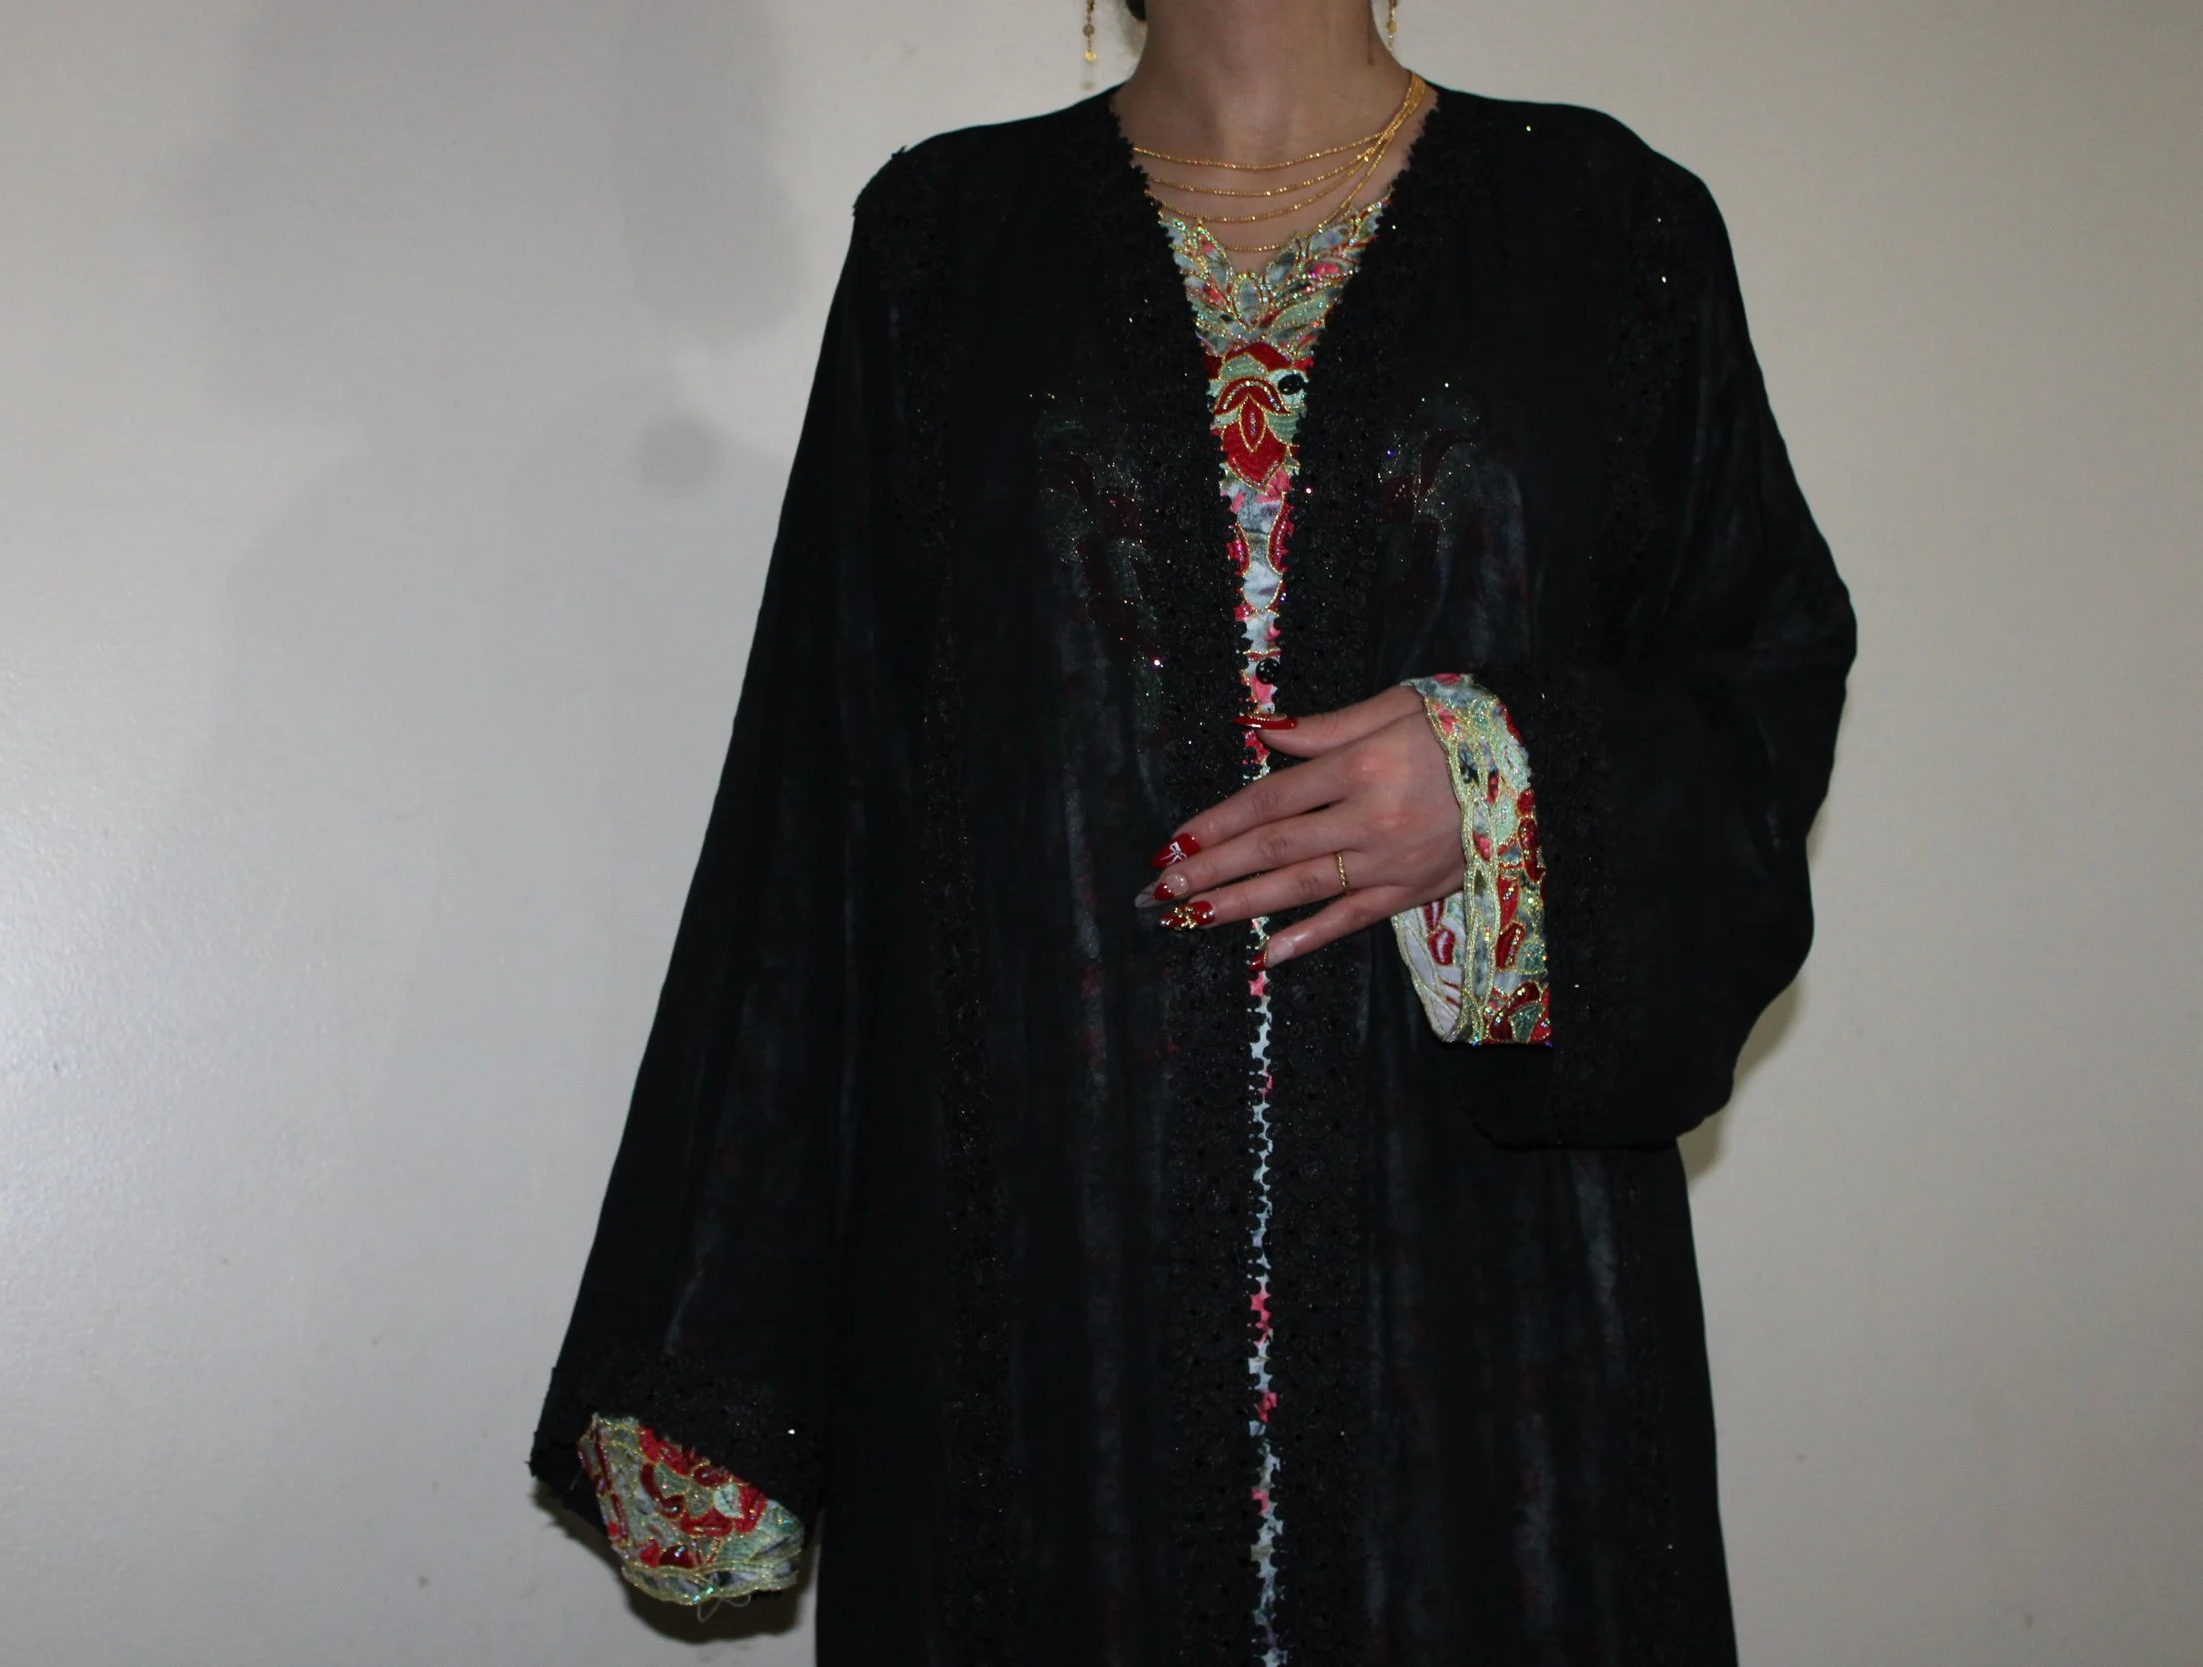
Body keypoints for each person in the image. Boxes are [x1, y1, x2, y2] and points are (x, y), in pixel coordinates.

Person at [531, 0, 1854, 1659]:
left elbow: (1758, 693)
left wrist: (1500, 780)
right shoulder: (950, 246)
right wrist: (720, 1340)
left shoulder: (1605, 227)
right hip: (1044, 1309)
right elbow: (823, 791)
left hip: (1486, 1317)